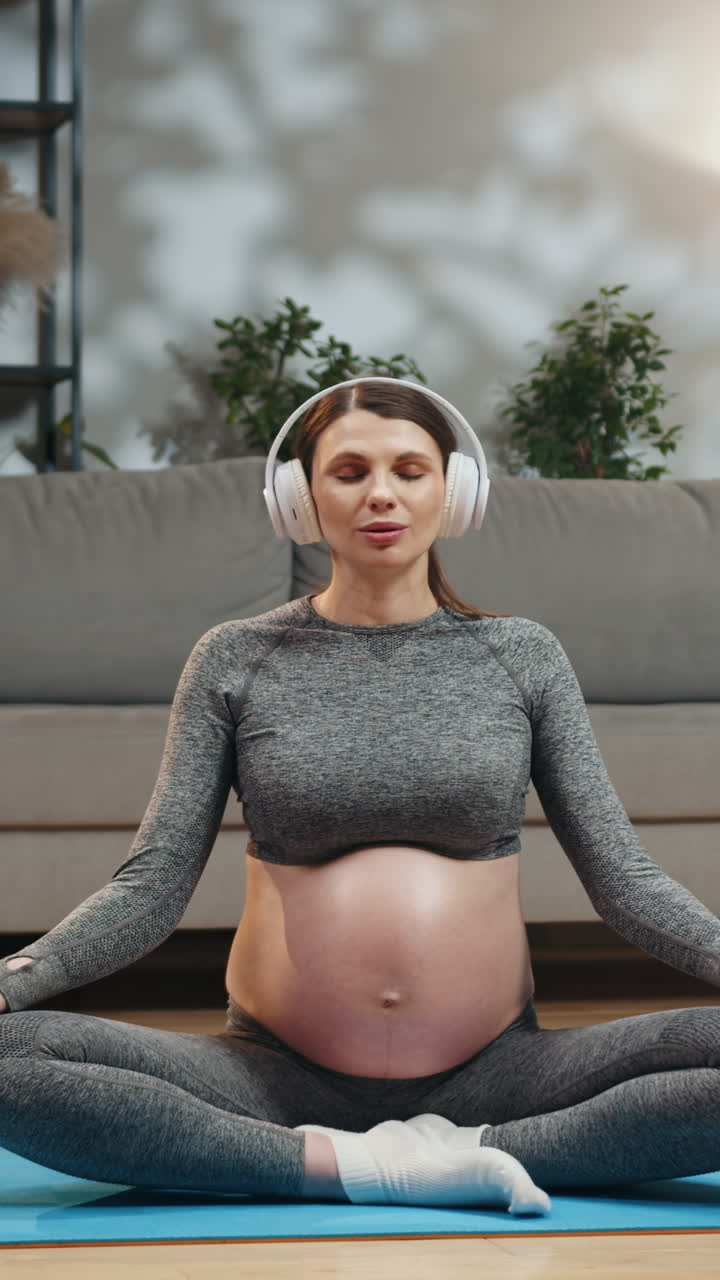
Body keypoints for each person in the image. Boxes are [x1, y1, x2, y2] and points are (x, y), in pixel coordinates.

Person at [1, 378, 720, 1213]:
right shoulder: (235, 657)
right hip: (271, 1077)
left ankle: (479, 1151)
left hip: (502, 1075)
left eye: (410, 469)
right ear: (299, 498)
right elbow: (152, 884)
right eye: (349, 471)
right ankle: (352, 1164)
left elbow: (623, 880)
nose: (381, 493)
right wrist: (18, 977)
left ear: (453, 491)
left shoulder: (521, 655)